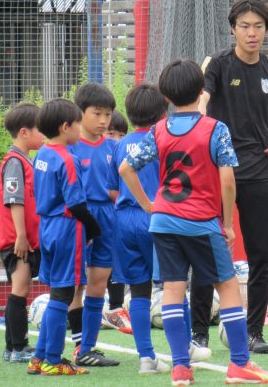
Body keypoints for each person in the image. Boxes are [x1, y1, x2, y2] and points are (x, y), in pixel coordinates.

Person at [120, 59, 268, 385]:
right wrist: (228, 223)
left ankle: (181, 368)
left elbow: (126, 168)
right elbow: (228, 180)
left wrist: (151, 205)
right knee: (229, 287)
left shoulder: (158, 130)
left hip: (164, 223)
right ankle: (239, 365)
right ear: (202, 91)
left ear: (165, 95)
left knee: (173, 292)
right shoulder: (215, 129)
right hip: (201, 222)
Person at [199, 0, 268, 353]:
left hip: (259, 170)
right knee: (206, 250)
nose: (251, 33)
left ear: (266, 29)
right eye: (244, 26)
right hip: (217, 169)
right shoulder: (218, 64)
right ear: (233, 28)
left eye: (258, 26)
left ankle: (254, 332)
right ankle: (199, 333)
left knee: (259, 254)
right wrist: (200, 126)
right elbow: (203, 98)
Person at [28, 98, 101, 376]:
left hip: (47, 227)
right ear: (65, 126)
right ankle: (54, 360)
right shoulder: (67, 158)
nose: (80, 128)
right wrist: (94, 228)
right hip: (67, 228)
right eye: (78, 123)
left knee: (56, 292)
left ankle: (39, 357)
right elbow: (76, 203)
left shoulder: (42, 154)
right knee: (63, 294)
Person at [107, 84, 170, 375]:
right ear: (162, 112)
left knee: (139, 289)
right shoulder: (163, 141)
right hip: (156, 216)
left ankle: (146, 357)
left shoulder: (119, 145)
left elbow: (112, 189)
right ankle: (184, 352)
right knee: (172, 286)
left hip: (124, 221)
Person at [67, 83, 120, 366]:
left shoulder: (114, 147)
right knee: (76, 284)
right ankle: (77, 346)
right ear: (80, 113)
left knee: (99, 283)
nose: (103, 121)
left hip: (109, 220)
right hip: (80, 220)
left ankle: (88, 347)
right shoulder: (71, 147)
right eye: (96, 113)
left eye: (108, 114)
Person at [0, 103, 45, 363]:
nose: (44, 133)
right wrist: (22, 237)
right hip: (16, 241)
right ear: (24, 132)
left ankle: (10, 347)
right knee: (21, 289)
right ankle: (19, 347)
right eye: (40, 129)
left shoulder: (26, 161)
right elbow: (14, 201)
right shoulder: (15, 162)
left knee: (19, 289)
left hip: (20, 239)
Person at [104, 109, 130, 333]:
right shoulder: (97, 154)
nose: (117, 140)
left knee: (117, 263)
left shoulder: (127, 155)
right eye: (112, 134)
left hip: (120, 218)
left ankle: (116, 307)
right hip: (99, 218)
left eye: (122, 135)